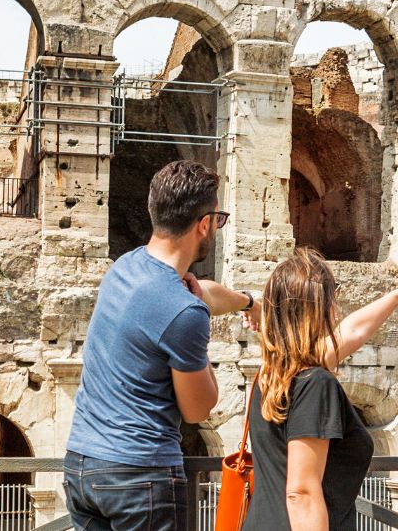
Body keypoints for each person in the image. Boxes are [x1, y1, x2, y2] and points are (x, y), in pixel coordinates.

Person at [63, 160, 258, 530]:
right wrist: (200, 347)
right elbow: (198, 408)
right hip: (139, 474)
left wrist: (250, 303)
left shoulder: (125, 267)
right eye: (217, 220)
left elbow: (204, 294)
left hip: (83, 464)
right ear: (204, 224)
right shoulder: (184, 312)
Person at [245, 248, 398, 531]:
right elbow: (301, 493)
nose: (337, 304)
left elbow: (352, 332)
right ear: (319, 307)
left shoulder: (272, 374)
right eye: (333, 293)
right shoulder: (315, 384)